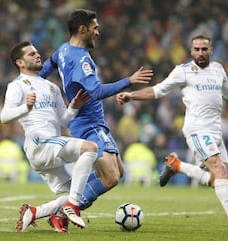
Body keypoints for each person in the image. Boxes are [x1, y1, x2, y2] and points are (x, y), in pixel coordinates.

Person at [116, 34, 228, 228]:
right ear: (191, 51)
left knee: (216, 178)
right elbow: (157, 91)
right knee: (218, 168)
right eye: (196, 49)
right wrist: (131, 95)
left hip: (216, 131)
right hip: (197, 129)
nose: (200, 53)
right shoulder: (183, 71)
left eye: (204, 49)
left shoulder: (218, 69)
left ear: (211, 50)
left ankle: (177, 166)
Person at [39, 9, 153, 212]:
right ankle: (64, 209)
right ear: (83, 30)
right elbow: (97, 91)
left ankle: (71, 197)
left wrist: (34, 83)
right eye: (95, 28)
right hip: (88, 123)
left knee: (118, 171)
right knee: (110, 178)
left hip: (91, 122)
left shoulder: (64, 50)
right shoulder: (81, 59)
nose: (98, 32)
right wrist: (129, 80)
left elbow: (48, 66)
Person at [0, 41, 98, 233]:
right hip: (40, 144)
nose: (37, 56)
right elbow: (4, 116)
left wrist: (74, 107)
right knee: (90, 148)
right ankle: (72, 207)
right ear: (20, 62)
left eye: (37, 52)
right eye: (31, 54)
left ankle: (35, 212)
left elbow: (63, 120)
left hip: (51, 148)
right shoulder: (17, 86)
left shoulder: (51, 87)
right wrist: (25, 108)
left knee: (74, 193)